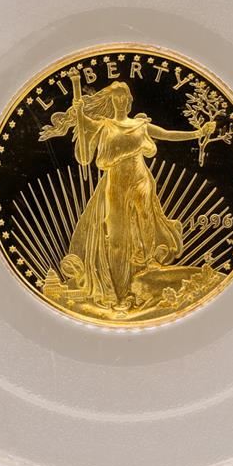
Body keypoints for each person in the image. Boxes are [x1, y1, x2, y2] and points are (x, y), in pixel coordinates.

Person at [39, 70, 214, 311]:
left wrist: (198, 133)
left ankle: (149, 264)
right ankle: (118, 287)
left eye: (124, 97)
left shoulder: (140, 125)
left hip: (140, 178)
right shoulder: (104, 126)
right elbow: (83, 122)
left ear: (129, 100)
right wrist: (78, 106)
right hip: (115, 181)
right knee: (115, 232)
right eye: (116, 97)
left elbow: (167, 134)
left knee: (145, 218)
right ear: (111, 101)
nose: (120, 101)